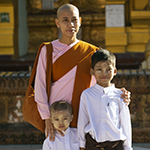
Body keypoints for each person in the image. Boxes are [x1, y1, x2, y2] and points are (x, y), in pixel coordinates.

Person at [34, 3, 131, 141]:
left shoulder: (91, 52)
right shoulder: (48, 50)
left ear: (80, 21)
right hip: (58, 117)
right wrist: (46, 116)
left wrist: (119, 95)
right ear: (57, 23)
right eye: (65, 20)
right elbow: (40, 85)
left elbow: (101, 81)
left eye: (74, 20)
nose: (70, 24)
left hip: (85, 113)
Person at [77, 49, 132, 150]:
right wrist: (81, 144)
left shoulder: (120, 95)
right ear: (92, 71)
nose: (104, 73)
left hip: (116, 145)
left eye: (108, 69)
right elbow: (82, 121)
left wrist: (128, 146)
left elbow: (125, 122)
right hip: (93, 145)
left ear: (115, 71)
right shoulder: (87, 95)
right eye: (99, 69)